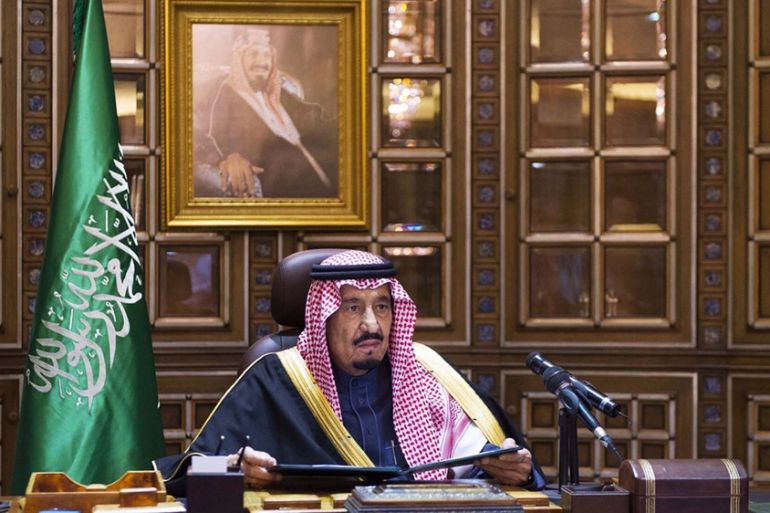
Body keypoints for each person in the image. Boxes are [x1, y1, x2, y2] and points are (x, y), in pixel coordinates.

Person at [154, 250, 546, 492]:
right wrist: (231, 469)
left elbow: (486, 457)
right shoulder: (276, 379)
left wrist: (515, 470)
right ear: (324, 317)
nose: (372, 325)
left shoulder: (428, 372)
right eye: (353, 307)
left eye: (382, 306)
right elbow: (187, 471)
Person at [193, 28, 337, 198]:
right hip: (284, 183)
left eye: (267, 55)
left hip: (319, 165)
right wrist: (229, 158)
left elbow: (312, 114)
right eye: (253, 54)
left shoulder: (279, 93)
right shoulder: (227, 96)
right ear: (239, 60)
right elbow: (219, 135)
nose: (262, 62)